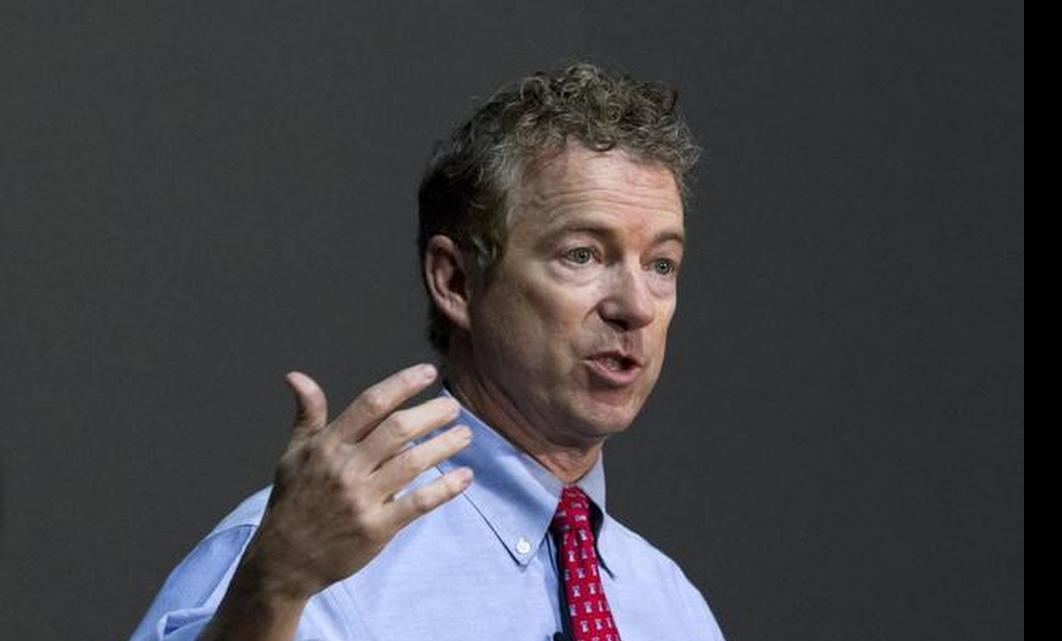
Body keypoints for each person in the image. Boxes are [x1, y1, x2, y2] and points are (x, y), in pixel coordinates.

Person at [128, 62, 726, 641]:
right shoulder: (302, 563)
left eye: (661, 264)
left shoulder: (672, 606)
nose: (637, 306)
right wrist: (275, 590)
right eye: (582, 254)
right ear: (457, 282)